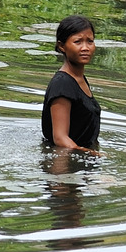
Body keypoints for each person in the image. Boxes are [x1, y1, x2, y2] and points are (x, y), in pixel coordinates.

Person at [42, 15, 101, 153]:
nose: (85, 47)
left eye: (90, 41)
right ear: (62, 46)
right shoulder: (62, 84)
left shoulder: (79, 79)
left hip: (80, 160)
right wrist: (93, 154)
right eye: (78, 42)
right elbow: (60, 139)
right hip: (64, 165)